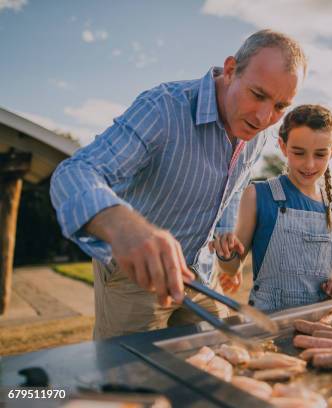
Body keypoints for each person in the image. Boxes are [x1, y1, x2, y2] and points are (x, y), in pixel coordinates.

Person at [50, 30, 307, 339]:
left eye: (281, 106)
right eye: (258, 94)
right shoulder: (163, 108)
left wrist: (225, 233)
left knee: (226, 358)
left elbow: (235, 184)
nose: (265, 116)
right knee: (132, 381)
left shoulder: (259, 132)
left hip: (202, 274)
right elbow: (74, 172)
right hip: (136, 277)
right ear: (230, 69)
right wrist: (123, 226)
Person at [208, 104, 332, 312]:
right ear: (282, 146)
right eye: (298, 153)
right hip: (271, 322)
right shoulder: (257, 195)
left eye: (320, 154)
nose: (309, 164)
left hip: (325, 324)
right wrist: (225, 254)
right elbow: (232, 267)